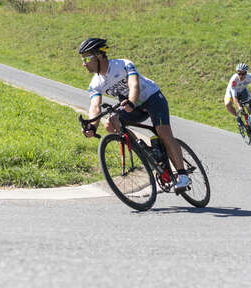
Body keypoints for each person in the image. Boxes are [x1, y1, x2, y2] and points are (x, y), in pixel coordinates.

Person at [78, 38, 191, 191]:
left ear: (99, 56)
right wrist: (91, 125)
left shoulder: (122, 65)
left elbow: (134, 84)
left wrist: (131, 101)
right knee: (110, 124)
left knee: (163, 131)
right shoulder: (95, 84)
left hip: (151, 98)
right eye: (82, 59)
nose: (83, 63)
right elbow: (95, 106)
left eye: (86, 58)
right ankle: (145, 152)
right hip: (132, 106)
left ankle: (183, 175)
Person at [224, 63, 251, 129]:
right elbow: (235, 98)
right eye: (239, 73)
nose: (241, 76)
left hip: (243, 91)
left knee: (250, 109)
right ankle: (237, 117)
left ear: (246, 73)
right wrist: (239, 107)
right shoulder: (234, 80)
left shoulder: (250, 77)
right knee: (227, 104)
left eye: (243, 74)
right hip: (231, 92)